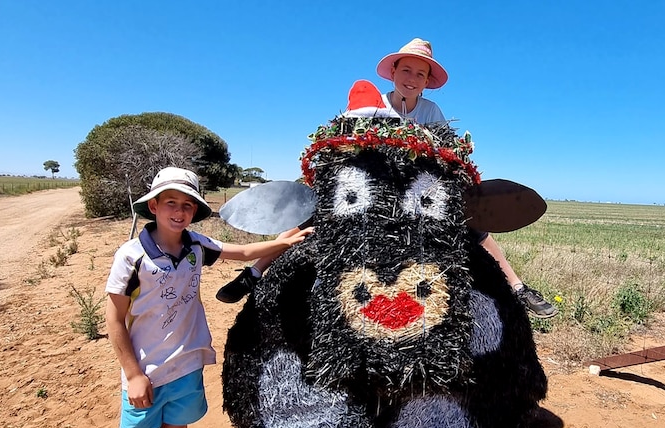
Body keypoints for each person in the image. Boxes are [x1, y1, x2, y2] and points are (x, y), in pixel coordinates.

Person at [216, 38, 556, 319]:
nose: (412, 78)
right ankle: (255, 272)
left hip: (414, 191)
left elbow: (443, 155)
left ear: (427, 81)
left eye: (420, 74)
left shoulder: (432, 113)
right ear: (393, 72)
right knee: (308, 212)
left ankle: (517, 286)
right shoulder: (370, 106)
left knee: (475, 228)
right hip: (367, 187)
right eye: (406, 69)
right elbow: (344, 143)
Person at [106, 166, 312, 428]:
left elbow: (241, 253)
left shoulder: (197, 245)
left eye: (187, 205)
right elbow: (114, 319)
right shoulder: (131, 256)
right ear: (153, 206)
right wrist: (133, 374)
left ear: (195, 212)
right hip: (145, 372)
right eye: (171, 203)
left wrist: (285, 240)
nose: (179, 211)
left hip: (185, 367)